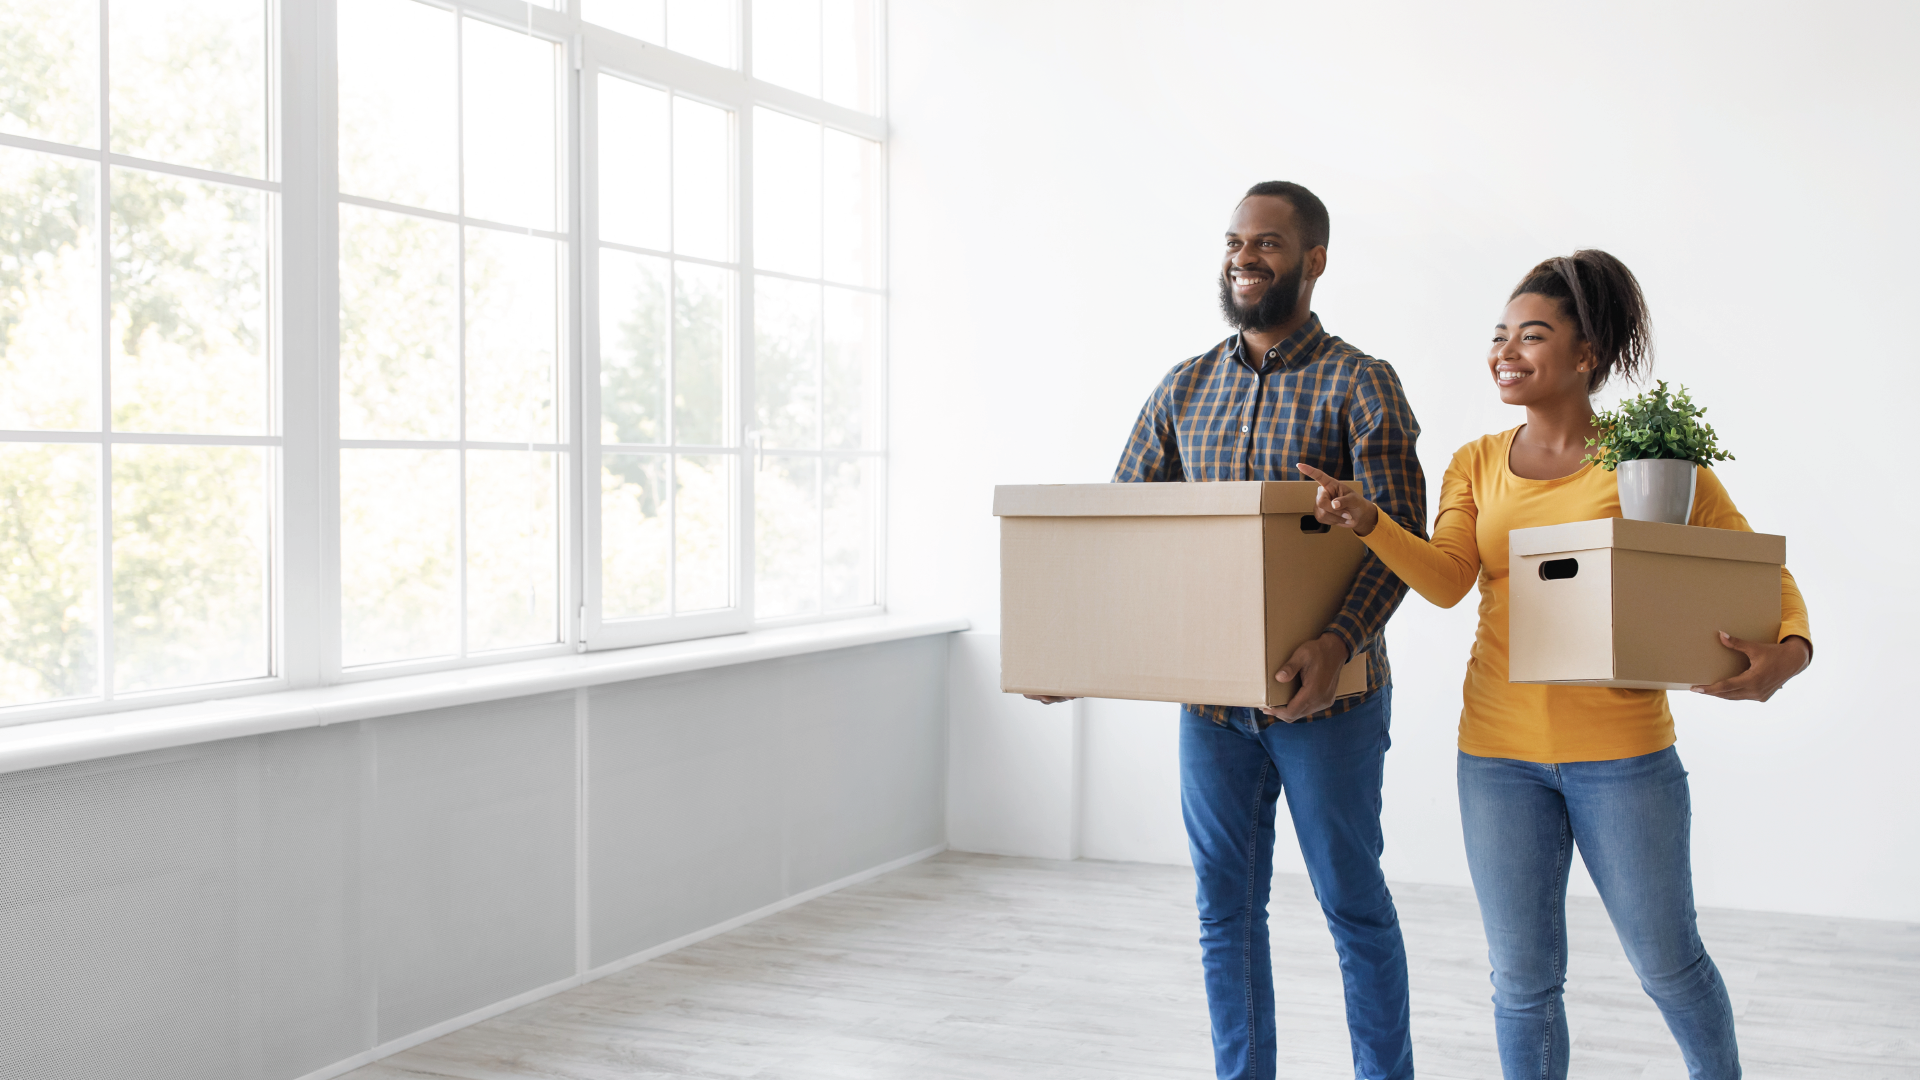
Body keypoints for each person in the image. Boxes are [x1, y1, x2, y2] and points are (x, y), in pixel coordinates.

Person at [1297, 249, 1812, 1080]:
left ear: (1586, 354)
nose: (1505, 350)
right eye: (1499, 335)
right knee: (1524, 984)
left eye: (1531, 336)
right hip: (1498, 758)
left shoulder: (1647, 462)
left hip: (1624, 757)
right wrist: (1369, 522)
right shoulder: (1475, 461)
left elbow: (1757, 565)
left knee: (1668, 966)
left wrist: (1788, 651)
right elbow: (1446, 581)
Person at [1031, 181, 1427, 1080]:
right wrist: (1072, 652)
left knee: (1351, 903)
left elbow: (1399, 536)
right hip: (1212, 711)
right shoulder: (1184, 387)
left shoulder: (1362, 384)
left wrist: (1336, 646)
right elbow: (1123, 535)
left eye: (1270, 244)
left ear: (1314, 261)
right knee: (1225, 911)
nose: (1245, 256)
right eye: (1235, 241)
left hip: (1328, 705)